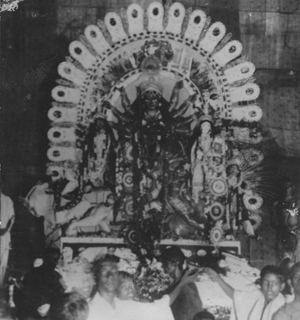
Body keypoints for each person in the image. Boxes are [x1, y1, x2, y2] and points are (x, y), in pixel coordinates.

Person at [207, 265, 286, 320]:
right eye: (266, 282)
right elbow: (235, 295)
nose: (269, 287)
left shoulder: (281, 305)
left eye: (274, 283)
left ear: (282, 286)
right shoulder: (257, 295)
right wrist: (217, 278)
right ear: (260, 283)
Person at [17, 248, 65, 319]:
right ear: (56, 262)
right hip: (48, 314)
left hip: (31, 311)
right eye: (56, 260)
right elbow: (62, 292)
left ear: (43, 258)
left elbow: (24, 290)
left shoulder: (30, 273)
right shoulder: (56, 276)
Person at [160, 247, 203, 320]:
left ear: (176, 263)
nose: (163, 266)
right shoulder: (176, 281)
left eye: (165, 263)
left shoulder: (187, 284)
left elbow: (196, 312)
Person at [0, 176, 15, 287]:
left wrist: (5, 230)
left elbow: (12, 218)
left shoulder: (7, 200)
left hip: (4, 236)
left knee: (3, 262)